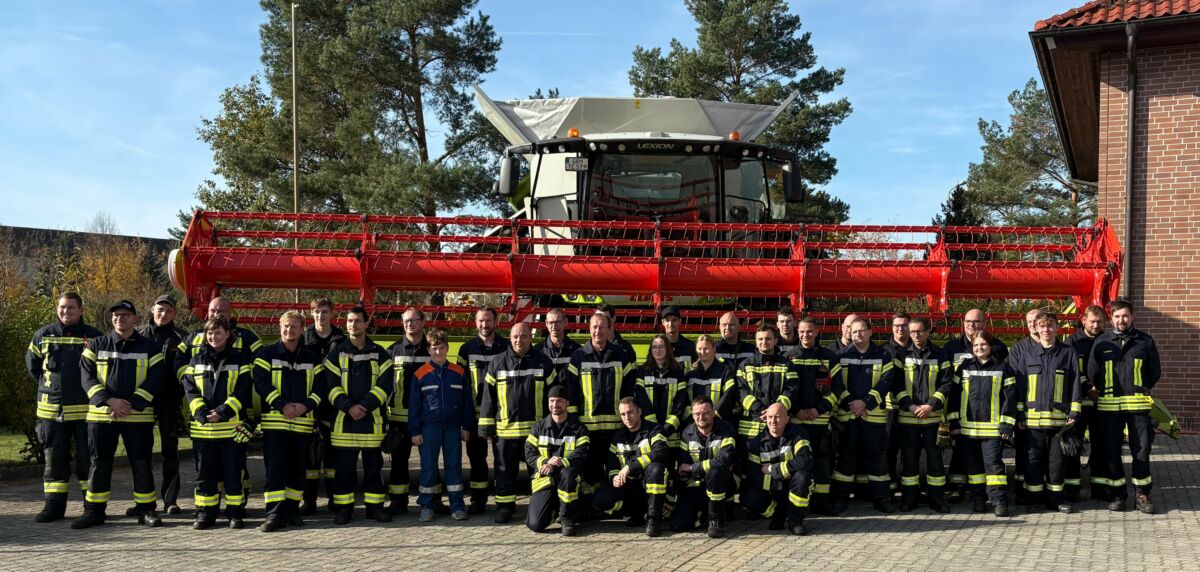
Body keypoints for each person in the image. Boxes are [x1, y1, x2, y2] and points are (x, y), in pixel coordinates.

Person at [72, 300, 165, 529]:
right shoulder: (96, 344)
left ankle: (146, 510)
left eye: (125, 315)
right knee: (99, 463)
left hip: (138, 417)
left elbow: (156, 378)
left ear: (135, 318)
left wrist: (132, 403)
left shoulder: (151, 347)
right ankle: (94, 511)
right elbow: (86, 377)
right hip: (102, 416)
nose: (120, 318)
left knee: (141, 464)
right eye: (116, 315)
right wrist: (109, 400)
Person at [26, 291, 102, 523]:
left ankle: (91, 507)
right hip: (51, 412)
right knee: (54, 461)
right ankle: (54, 508)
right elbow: (33, 368)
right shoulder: (43, 335)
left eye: (70, 307)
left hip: (85, 410)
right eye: (62, 307)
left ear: (81, 310)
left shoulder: (94, 337)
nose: (65, 311)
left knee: (86, 461)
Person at [252, 310, 325, 532]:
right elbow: (261, 384)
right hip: (276, 423)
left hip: (302, 423)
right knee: (275, 470)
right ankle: (274, 514)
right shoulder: (266, 354)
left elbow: (321, 387)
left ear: (302, 329)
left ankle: (292, 510)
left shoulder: (312, 358)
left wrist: (305, 406)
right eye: (285, 326)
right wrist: (282, 405)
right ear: (279, 328)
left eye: (294, 326)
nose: (289, 330)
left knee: (297, 470)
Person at [1087, 299, 1161, 514]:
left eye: (1126, 316)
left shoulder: (1144, 341)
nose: (1122, 320)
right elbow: (1093, 373)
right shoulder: (1101, 343)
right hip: (1109, 409)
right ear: (1111, 318)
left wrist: (1140, 388)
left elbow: (1154, 372)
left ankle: (1142, 494)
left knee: (1141, 451)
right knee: (1112, 453)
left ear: (1132, 317)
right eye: (1118, 316)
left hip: (1138, 408)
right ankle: (1118, 495)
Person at [480, 323, 559, 524]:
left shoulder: (543, 363)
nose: (519, 340)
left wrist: (553, 427)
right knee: (504, 471)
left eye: (523, 336)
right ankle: (505, 507)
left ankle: (541, 506)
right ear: (510, 338)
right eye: (515, 337)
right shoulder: (497, 363)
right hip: (505, 433)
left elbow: (555, 398)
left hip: (536, 433)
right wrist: (486, 428)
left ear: (530, 338)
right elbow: (488, 399)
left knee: (540, 471)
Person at [180, 317, 253, 529]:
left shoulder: (240, 360)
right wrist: (201, 412)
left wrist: (223, 411)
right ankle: (205, 513)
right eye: (210, 333)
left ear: (228, 334)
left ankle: (235, 512)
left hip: (231, 429)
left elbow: (243, 390)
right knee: (205, 475)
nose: (214, 337)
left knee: (233, 473)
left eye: (218, 332)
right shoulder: (195, 360)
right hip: (204, 430)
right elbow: (190, 390)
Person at [325, 306, 394, 524]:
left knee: (374, 470)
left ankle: (374, 509)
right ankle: (344, 510)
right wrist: (348, 407)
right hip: (344, 423)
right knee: (344, 471)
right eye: (349, 321)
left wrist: (363, 406)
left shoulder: (380, 353)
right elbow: (330, 386)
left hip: (371, 423)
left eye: (357, 321)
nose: (352, 325)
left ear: (366, 324)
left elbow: (384, 386)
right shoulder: (336, 352)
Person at [1011, 311, 1081, 513]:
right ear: (1036, 328)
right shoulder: (1027, 354)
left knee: (1056, 464)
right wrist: (1019, 415)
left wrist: (1074, 414)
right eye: (1042, 326)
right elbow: (1019, 387)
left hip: (1059, 423)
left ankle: (1055, 500)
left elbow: (1075, 383)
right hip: (1032, 422)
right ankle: (1034, 501)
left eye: (1050, 325)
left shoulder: (1067, 353)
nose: (1046, 329)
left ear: (1056, 328)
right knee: (1032, 463)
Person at [563, 312, 636, 504]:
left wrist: (627, 423)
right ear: (589, 329)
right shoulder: (578, 357)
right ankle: (590, 506)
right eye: (594, 327)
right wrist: (574, 423)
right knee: (590, 471)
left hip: (615, 428)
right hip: (588, 428)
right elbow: (571, 392)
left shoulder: (621, 355)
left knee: (615, 467)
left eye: (602, 327)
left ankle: (613, 504)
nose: (598, 331)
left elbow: (629, 391)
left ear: (609, 329)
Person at [948, 332, 1019, 517]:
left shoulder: (1003, 368)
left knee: (994, 466)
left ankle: (999, 501)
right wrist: (954, 421)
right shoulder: (963, 368)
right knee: (974, 468)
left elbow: (1010, 399)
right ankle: (978, 499)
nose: (979, 348)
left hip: (993, 429)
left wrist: (1006, 425)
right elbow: (954, 396)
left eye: (983, 344)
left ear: (991, 346)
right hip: (967, 429)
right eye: (975, 345)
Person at [830, 318, 896, 515]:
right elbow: (836, 384)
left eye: (861, 331)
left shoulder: (883, 356)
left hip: (873, 417)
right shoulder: (839, 355)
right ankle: (841, 498)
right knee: (845, 459)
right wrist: (852, 402)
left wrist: (865, 402)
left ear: (870, 332)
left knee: (877, 459)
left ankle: (881, 498)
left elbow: (886, 382)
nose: (857, 334)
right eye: (854, 331)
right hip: (848, 416)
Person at [943, 309, 1008, 502]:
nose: (972, 325)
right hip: (962, 412)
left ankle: (987, 494)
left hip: (989, 414)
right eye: (968, 321)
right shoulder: (951, 347)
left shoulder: (999, 348)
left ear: (985, 324)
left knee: (990, 459)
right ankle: (957, 487)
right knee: (959, 453)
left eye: (977, 322)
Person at [133, 295, 190, 517]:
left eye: (168, 310)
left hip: (170, 401)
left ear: (174, 313)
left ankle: (170, 501)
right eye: (159, 309)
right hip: (142, 401)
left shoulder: (183, 337)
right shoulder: (138, 334)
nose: (163, 314)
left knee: (170, 452)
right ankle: (142, 502)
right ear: (151, 309)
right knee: (141, 452)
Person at [891, 316, 953, 513]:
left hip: (932, 419)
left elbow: (947, 383)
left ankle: (937, 499)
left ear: (928, 332)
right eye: (913, 332)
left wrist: (930, 405)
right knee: (909, 461)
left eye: (919, 331)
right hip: (908, 419)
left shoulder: (941, 354)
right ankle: (909, 499)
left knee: (936, 462)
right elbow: (896, 385)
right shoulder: (900, 355)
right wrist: (909, 406)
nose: (915, 335)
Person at [410, 328, 473, 522]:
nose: (438, 352)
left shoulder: (459, 372)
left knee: (453, 466)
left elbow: (467, 403)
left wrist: (467, 427)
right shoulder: (420, 374)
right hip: (429, 430)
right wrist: (415, 431)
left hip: (453, 429)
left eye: (442, 348)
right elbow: (414, 406)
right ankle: (426, 506)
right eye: (434, 348)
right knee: (428, 467)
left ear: (448, 348)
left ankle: (457, 506)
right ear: (429, 350)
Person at [783, 317, 842, 514]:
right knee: (800, 461)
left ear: (817, 332)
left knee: (822, 462)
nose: (805, 335)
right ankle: (801, 503)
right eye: (801, 331)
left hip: (821, 421)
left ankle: (821, 503)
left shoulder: (829, 357)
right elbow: (786, 389)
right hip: (796, 421)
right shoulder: (789, 357)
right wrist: (796, 409)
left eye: (809, 331)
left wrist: (819, 410)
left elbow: (837, 389)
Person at [456, 307, 510, 514]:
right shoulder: (466, 349)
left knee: (502, 460)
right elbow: (461, 386)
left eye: (488, 321)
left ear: (496, 322)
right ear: (475, 322)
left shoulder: (506, 347)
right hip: (476, 415)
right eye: (480, 321)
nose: (484, 325)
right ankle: (478, 500)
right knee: (476, 460)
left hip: (501, 414)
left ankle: (503, 501)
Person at [593, 397, 670, 537]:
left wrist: (630, 467)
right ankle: (634, 512)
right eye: (623, 414)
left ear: (639, 411)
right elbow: (612, 463)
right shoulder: (618, 436)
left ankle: (654, 519)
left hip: (646, 483)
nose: (627, 417)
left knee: (657, 469)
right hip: (628, 485)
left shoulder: (654, 430)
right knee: (600, 500)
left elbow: (660, 453)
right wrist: (614, 477)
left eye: (630, 412)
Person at [525, 385, 590, 535]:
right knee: (535, 525)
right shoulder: (538, 427)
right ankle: (553, 510)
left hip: (567, 477)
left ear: (567, 403)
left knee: (568, 475)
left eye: (559, 401)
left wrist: (559, 462)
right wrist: (545, 462)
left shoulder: (579, 428)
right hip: (545, 478)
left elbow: (581, 453)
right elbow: (529, 452)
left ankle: (567, 518)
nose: (555, 405)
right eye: (552, 401)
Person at [741, 403, 814, 536]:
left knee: (803, 477)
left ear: (787, 419)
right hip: (772, 490)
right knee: (748, 496)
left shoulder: (798, 434)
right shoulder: (757, 442)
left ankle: (795, 521)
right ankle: (777, 515)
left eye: (778, 417)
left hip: (792, 487)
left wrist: (772, 469)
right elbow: (753, 474)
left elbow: (805, 461)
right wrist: (780, 480)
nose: (773, 421)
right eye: (770, 417)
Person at [301, 297, 344, 514]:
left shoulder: (340, 340)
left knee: (331, 458)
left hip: (332, 406)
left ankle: (333, 500)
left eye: (324, 311)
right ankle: (308, 501)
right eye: (317, 312)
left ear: (332, 314)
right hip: (308, 407)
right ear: (312, 314)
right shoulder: (303, 338)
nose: (321, 316)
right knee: (309, 459)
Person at [671, 395, 736, 538]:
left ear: (713, 412)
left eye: (706, 413)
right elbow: (682, 466)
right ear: (693, 415)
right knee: (678, 524)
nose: (701, 417)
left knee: (715, 472)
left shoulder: (726, 430)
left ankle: (715, 520)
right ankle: (703, 513)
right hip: (697, 484)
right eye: (697, 414)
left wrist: (693, 468)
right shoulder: (687, 433)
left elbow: (722, 462)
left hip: (723, 484)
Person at [386, 307, 431, 515]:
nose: (409, 324)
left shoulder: (432, 349)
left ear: (423, 322)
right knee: (398, 462)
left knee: (429, 461)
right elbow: (384, 384)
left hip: (427, 417)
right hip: (398, 418)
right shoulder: (393, 350)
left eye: (413, 320)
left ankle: (432, 500)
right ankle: (398, 501)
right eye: (405, 321)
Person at [1067, 305, 1106, 501]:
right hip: (1079, 403)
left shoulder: (1108, 340)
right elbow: (1072, 371)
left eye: (1099, 321)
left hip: (1101, 404)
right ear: (1083, 321)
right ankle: (1072, 488)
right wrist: (1088, 388)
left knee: (1100, 446)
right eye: (1092, 321)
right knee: (1074, 446)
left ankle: (1098, 487)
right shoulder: (1072, 342)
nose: (1096, 325)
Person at [735, 325, 798, 442]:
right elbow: (740, 391)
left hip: (778, 426)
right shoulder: (745, 365)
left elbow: (792, 388)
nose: (764, 342)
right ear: (756, 341)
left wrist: (777, 409)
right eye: (760, 339)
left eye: (768, 339)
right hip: (751, 426)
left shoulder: (786, 364)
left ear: (775, 340)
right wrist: (759, 409)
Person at [1006, 308, 1041, 505]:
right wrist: (1018, 413)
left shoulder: (1055, 346)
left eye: (1035, 319)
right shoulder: (1019, 349)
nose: (1032, 323)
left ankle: (1040, 489)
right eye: (1028, 320)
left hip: (1048, 413)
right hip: (1025, 410)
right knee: (1023, 453)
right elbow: (1015, 382)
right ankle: (1020, 489)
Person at [631, 334, 689, 441]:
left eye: (661, 347)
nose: (657, 350)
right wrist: (653, 428)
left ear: (668, 349)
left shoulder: (677, 373)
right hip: (649, 432)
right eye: (654, 347)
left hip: (672, 434)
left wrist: (667, 428)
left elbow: (680, 404)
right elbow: (641, 400)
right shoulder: (642, 372)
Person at [683, 335, 739, 425]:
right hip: (694, 423)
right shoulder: (690, 374)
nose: (703, 352)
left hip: (719, 423)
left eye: (706, 348)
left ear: (714, 349)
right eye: (699, 349)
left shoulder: (725, 372)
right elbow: (684, 399)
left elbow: (728, 397)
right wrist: (693, 417)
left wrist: (713, 417)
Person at [536, 308, 581, 383]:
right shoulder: (538, 351)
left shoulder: (577, 350)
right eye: (551, 323)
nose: (554, 326)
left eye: (558, 322)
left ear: (565, 322)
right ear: (546, 324)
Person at [660, 305, 697, 370]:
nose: (670, 324)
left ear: (680, 321)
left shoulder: (690, 347)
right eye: (667, 320)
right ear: (663, 322)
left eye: (674, 320)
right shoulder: (658, 346)